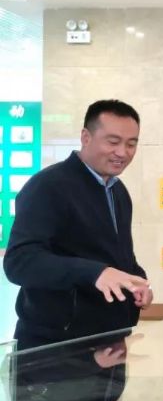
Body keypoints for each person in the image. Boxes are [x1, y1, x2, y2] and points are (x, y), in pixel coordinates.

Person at [4, 99, 152, 349]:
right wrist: (94, 273)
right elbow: (20, 262)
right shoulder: (48, 186)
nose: (122, 152)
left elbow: (118, 257)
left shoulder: (118, 191)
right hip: (54, 346)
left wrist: (138, 283)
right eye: (113, 142)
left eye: (131, 144)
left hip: (109, 341)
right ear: (86, 137)